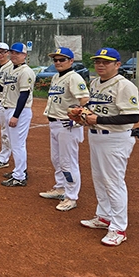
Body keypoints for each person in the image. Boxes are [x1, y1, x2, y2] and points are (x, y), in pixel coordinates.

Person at [79, 48, 139, 246]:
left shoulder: (125, 85)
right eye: (98, 61)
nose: (100, 65)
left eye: (106, 62)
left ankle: (119, 228)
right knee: (99, 179)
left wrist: (98, 119)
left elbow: (133, 116)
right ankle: (104, 217)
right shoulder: (95, 82)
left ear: (117, 65)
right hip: (96, 136)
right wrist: (82, 114)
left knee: (113, 182)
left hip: (115, 139)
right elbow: (93, 108)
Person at [40, 47, 89, 212]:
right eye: (55, 60)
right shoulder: (56, 76)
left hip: (67, 125)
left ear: (71, 61)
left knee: (68, 162)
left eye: (62, 59)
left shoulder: (74, 77)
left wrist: (77, 119)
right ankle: (60, 188)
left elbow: (85, 99)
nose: (58, 62)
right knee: (57, 160)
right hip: (55, 123)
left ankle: (71, 197)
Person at [0, 42, 35, 187]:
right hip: (7, 108)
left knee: (17, 145)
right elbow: (1, 88)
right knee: (15, 143)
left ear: (24, 55)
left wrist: (16, 116)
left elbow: (24, 95)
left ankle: (19, 176)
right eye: (12, 52)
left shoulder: (26, 71)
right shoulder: (11, 70)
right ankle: (20, 171)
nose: (14, 55)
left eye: (17, 53)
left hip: (19, 110)